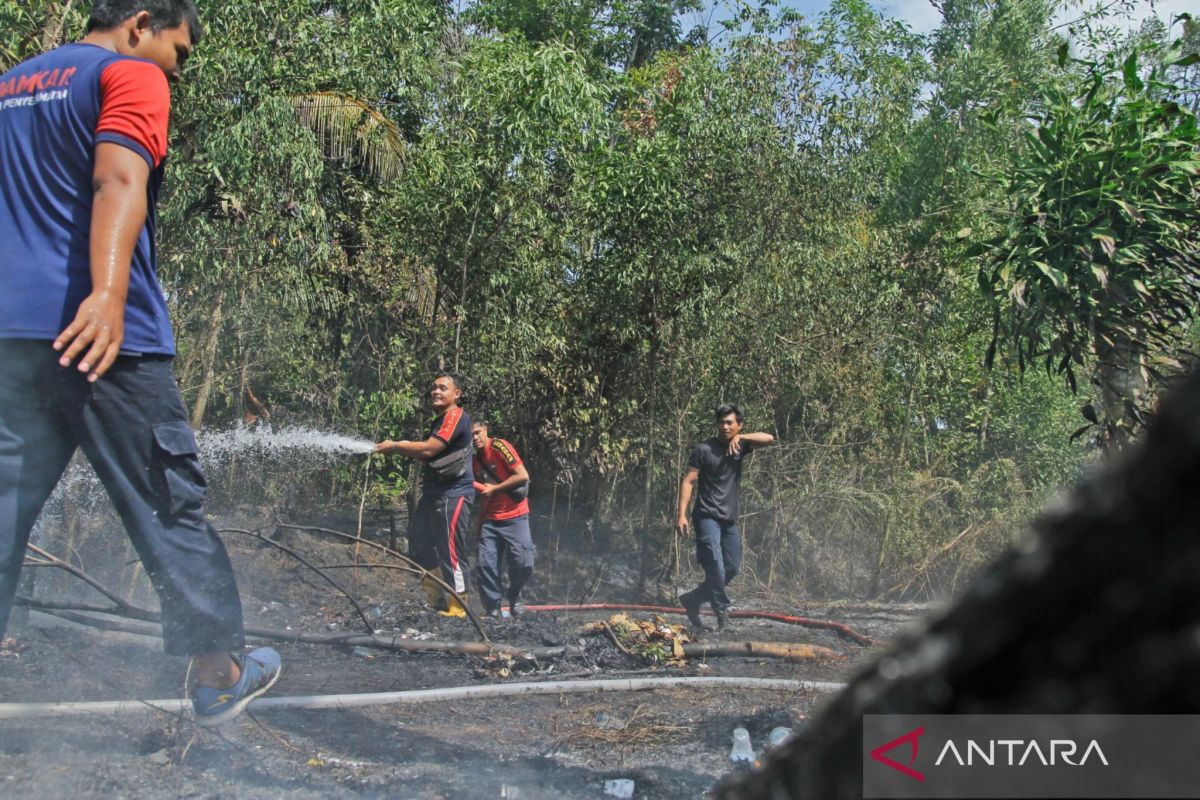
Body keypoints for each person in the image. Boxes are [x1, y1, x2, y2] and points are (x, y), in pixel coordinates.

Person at [0, 0, 280, 726]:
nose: (177, 74)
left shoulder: (12, 85)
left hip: (10, 337)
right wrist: (108, 293)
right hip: (105, 337)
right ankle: (218, 671)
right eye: (179, 53)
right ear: (141, 22)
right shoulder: (129, 74)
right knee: (167, 500)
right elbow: (116, 180)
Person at [375, 373, 474, 616]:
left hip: (453, 493)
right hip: (434, 492)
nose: (436, 392)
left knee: (451, 549)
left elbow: (430, 449)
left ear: (456, 394)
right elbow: (427, 453)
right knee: (418, 541)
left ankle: (458, 606)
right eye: (433, 388)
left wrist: (396, 445)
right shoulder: (440, 421)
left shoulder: (455, 417)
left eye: (443, 388)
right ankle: (436, 595)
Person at [676, 404, 774, 630]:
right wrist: (681, 515)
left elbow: (769, 438)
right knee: (715, 565)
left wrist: (741, 438)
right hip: (706, 516)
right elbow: (689, 481)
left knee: (732, 567)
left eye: (730, 422)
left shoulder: (740, 446)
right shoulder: (704, 449)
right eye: (721, 422)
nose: (725, 426)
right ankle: (722, 613)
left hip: (729, 519)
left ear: (739, 425)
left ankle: (693, 599)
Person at [470, 418, 533, 619]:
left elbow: (523, 475)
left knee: (524, 562)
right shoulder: (473, 461)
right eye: (471, 435)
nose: (475, 438)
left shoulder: (499, 447)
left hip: (516, 515)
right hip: (491, 518)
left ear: (485, 429)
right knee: (485, 564)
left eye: (478, 432)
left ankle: (514, 595)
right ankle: (493, 609)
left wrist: (495, 488)